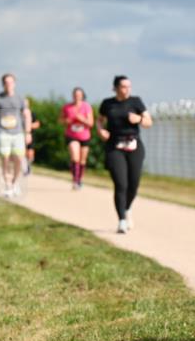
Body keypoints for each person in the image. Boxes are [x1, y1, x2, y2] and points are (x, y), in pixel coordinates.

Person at [98, 75, 152, 233]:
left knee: (133, 184)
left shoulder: (136, 102)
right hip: (115, 146)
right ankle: (121, 220)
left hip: (134, 145)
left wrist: (139, 119)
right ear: (115, 88)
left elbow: (149, 122)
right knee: (121, 184)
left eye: (129, 86)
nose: (127, 89)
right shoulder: (108, 104)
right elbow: (100, 120)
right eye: (123, 86)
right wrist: (100, 130)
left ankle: (127, 208)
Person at [0, 73, 31, 198]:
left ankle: (15, 182)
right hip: (2, 132)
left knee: (18, 158)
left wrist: (28, 132)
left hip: (17, 133)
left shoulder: (20, 99)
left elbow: (27, 115)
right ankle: (8, 186)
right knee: (5, 160)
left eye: (11, 82)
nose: (9, 84)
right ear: (3, 84)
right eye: (6, 82)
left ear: (14, 83)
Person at [61, 87, 94, 189]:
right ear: (73, 96)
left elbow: (91, 123)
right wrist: (67, 121)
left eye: (79, 95)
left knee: (82, 160)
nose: (77, 97)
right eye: (75, 95)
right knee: (75, 157)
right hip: (71, 135)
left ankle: (80, 179)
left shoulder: (87, 107)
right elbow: (61, 120)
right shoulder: (67, 107)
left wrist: (82, 119)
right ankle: (75, 180)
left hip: (84, 136)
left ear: (82, 96)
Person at [23, 99, 42, 175]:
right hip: (20, 135)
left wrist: (29, 126)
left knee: (30, 153)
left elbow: (37, 124)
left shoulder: (32, 113)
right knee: (22, 152)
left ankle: (29, 166)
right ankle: (24, 168)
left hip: (30, 135)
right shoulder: (18, 113)